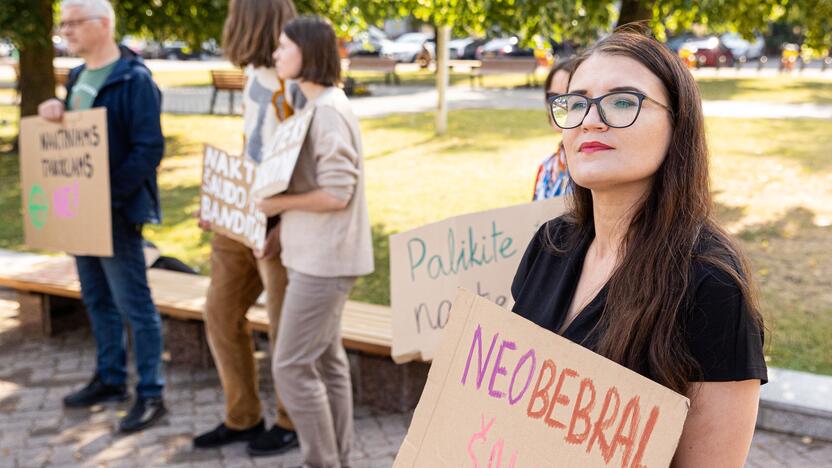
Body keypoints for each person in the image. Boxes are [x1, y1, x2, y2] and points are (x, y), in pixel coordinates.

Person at [511, 30, 767, 466]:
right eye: (576, 103)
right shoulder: (549, 244)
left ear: (677, 125)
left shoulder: (711, 287)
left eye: (623, 102)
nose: (591, 120)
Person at [37, 0, 166, 433]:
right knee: (96, 299)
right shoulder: (76, 77)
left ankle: (151, 393)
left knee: (135, 305)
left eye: (74, 23)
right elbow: (77, 138)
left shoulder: (135, 80)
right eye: (63, 23)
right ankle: (110, 379)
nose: (66, 31)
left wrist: (104, 197)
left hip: (113, 213)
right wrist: (54, 110)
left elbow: (149, 150)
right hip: (80, 212)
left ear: (104, 24)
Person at [256, 15, 374, 468]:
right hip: (316, 256)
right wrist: (280, 230)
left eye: (284, 47)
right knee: (327, 363)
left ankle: (321, 460)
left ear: (307, 52)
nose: (276, 54)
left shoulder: (326, 110)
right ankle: (337, 458)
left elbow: (337, 192)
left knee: (289, 365)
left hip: (325, 263)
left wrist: (279, 204)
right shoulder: (316, 106)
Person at [192, 0, 304, 457]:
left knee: (284, 327)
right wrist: (222, 202)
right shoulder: (256, 75)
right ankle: (242, 416)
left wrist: (280, 221)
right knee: (219, 313)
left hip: (279, 223)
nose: (229, 21)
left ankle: (290, 420)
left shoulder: (294, 81)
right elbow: (253, 145)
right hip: (240, 217)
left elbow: (302, 160)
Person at [532, 59, 576, 200]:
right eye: (553, 97)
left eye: (569, 97)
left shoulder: (595, 168)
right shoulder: (547, 167)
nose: (559, 106)